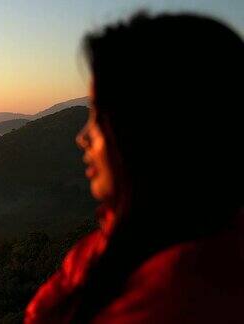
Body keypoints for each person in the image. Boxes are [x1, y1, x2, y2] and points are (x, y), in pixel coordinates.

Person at [25, 11, 244, 324]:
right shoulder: (115, 244)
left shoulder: (183, 296)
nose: (81, 138)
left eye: (99, 118)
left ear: (150, 132)